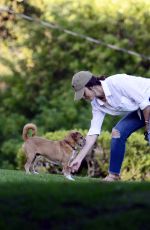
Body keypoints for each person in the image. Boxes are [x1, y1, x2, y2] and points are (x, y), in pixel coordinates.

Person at [69, 71, 150, 181]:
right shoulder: (96, 104)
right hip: (142, 109)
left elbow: (145, 104)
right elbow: (93, 132)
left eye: (83, 93)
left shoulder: (117, 82)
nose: (83, 97)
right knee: (118, 132)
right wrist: (79, 158)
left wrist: (148, 129)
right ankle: (113, 175)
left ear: (90, 85)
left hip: (147, 103)